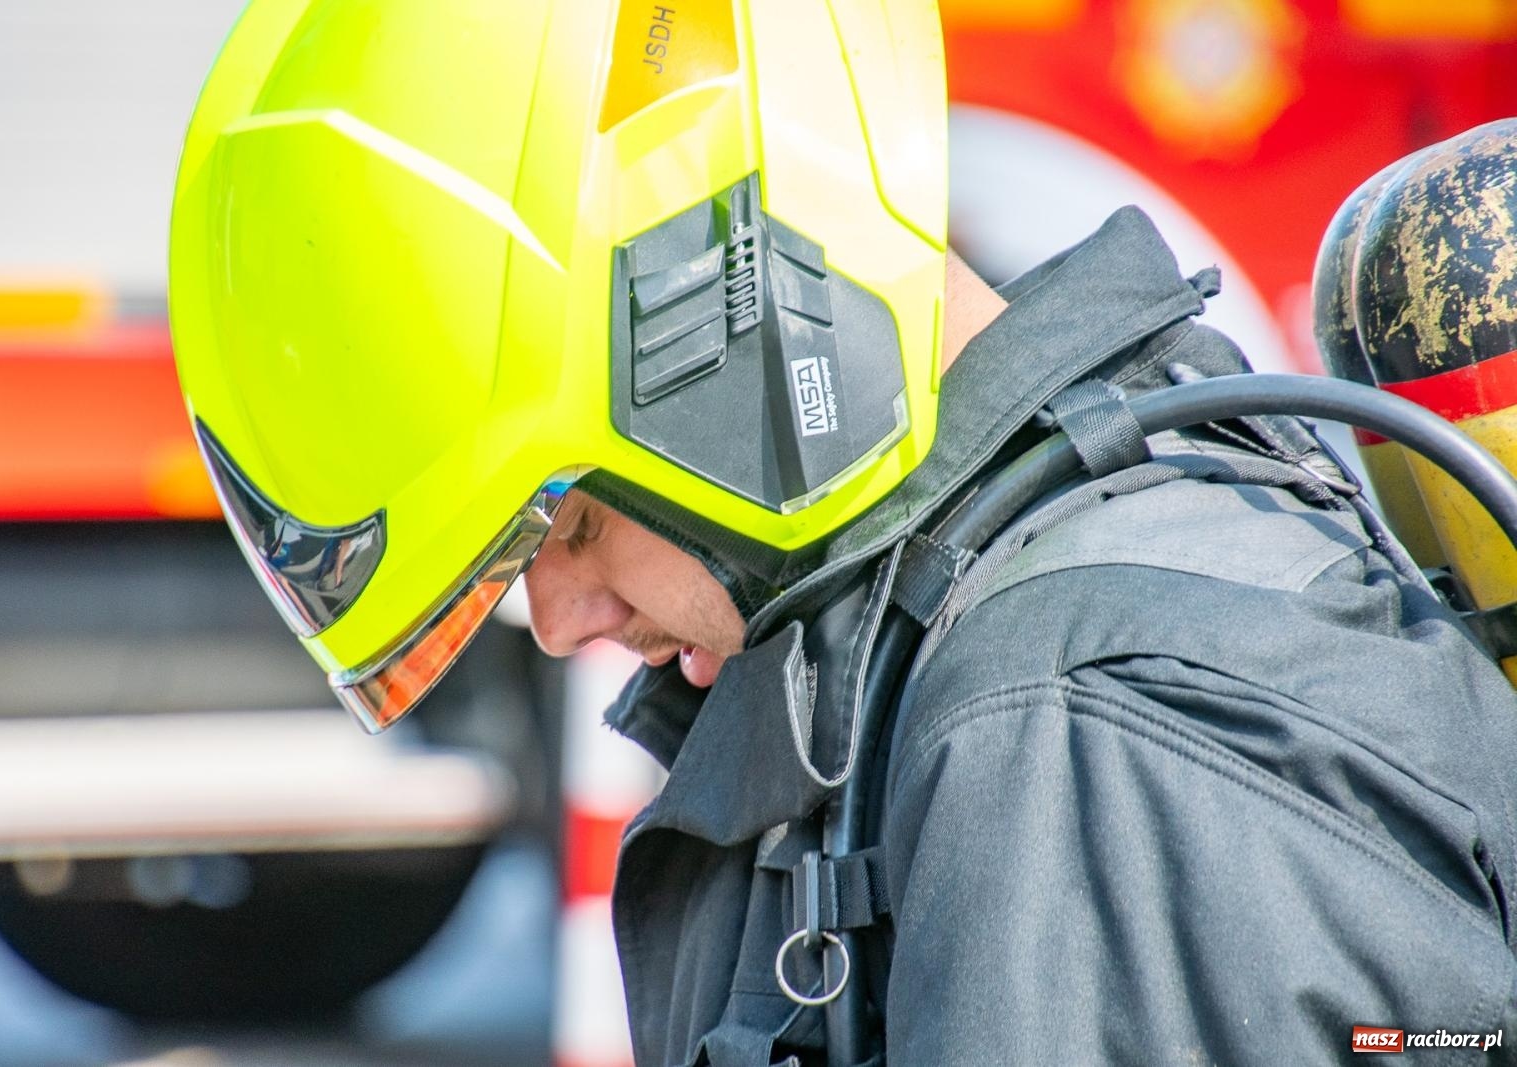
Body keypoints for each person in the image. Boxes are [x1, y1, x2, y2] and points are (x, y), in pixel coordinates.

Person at [170, 3, 1517, 1063]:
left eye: (566, 528)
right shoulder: (938, 658)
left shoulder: (1076, 749)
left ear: (727, 325)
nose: (566, 621)